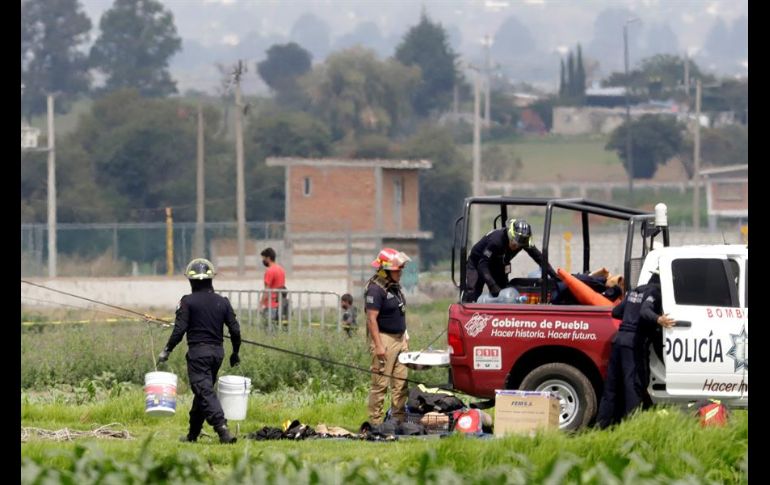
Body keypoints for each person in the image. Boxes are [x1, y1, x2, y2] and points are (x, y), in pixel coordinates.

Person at [157, 258, 241, 444]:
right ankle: (193, 435)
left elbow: (179, 330)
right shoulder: (223, 302)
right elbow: (235, 330)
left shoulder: (187, 302)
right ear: (211, 279)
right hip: (217, 354)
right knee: (202, 392)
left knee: (204, 392)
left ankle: (222, 429)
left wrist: (167, 350)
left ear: (190, 280)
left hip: (198, 355)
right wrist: (235, 353)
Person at [595, 271, 676, 429]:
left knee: (611, 387)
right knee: (633, 386)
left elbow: (616, 312)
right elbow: (645, 312)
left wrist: (630, 317)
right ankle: (631, 428)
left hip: (618, 341)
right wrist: (659, 319)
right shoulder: (655, 291)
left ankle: (601, 426)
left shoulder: (635, 291)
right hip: (633, 345)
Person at [365, 248, 411, 424]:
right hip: (384, 339)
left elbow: (400, 312)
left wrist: (405, 334)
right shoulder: (375, 290)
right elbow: (371, 319)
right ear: (384, 270)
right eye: (397, 269)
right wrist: (378, 345)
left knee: (401, 384)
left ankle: (398, 420)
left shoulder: (394, 287)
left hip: (400, 339)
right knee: (380, 384)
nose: (400, 272)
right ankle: (376, 423)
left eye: (400, 269)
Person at [463, 218, 558, 303]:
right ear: (510, 235)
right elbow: (482, 265)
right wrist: (492, 285)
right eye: (515, 244)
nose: (516, 247)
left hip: (498, 262)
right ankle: (467, 309)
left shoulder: (523, 241)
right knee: (473, 291)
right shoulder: (496, 241)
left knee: (503, 292)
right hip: (478, 262)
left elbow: (539, 258)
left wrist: (554, 276)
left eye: (520, 246)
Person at [260, 247, 286, 327]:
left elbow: (267, 290)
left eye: (264, 258)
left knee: (267, 330)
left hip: (270, 305)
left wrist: (261, 304)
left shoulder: (269, 271)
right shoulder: (281, 269)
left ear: (268, 258)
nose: (263, 261)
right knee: (277, 329)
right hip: (280, 304)